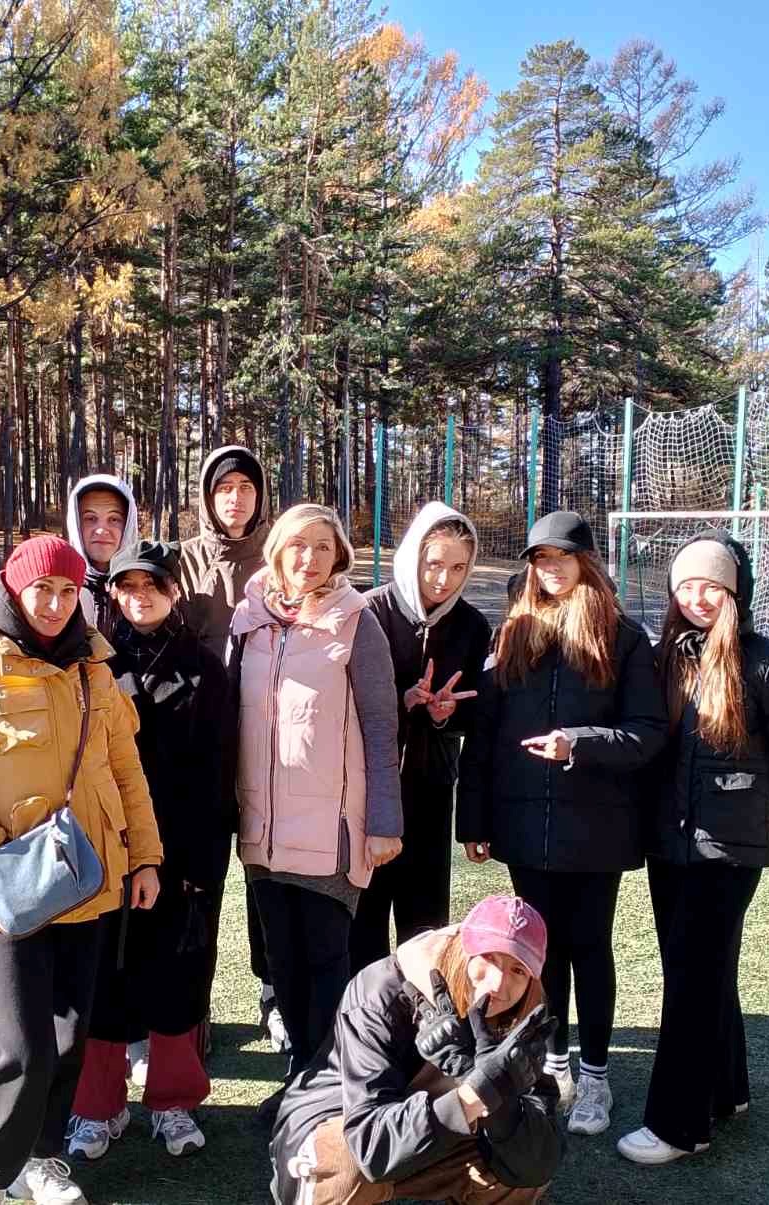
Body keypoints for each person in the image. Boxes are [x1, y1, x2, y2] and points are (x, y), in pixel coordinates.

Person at [0, 534, 164, 1205]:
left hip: (85, 880)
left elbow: (126, 770)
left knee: (69, 1038)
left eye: (68, 590)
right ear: (13, 589)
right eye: (41, 588)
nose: (54, 603)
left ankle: (41, 1158)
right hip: (6, 891)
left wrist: (145, 855)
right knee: (21, 1046)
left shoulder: (94, 671)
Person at [456, 510, 666, 1141]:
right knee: (536, 955)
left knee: (589, 947)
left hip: (598, 828)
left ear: (586, 563)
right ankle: (550, 1065)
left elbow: (646, 733)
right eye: (541, 559)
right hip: (524, 825)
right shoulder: (512, 633)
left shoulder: (624, 639)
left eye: (562, 557)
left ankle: (595, 1075)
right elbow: (484, 736)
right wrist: (474, 818)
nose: (550, 569)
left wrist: (578, 743)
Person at [617, 532, 769, 1166]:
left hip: (728, 856)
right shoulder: (662, 660)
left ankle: (680, 1126)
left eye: (713, 586)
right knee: (703, 973)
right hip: (669, 850)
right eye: (687, 585)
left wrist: (764, 829)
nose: (699, 597)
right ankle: (727, 1089)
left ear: (736, 593)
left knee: (690, 982)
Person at [230, 502, 404, 1125]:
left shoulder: (356, 622)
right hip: (264, 829)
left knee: (328, 963)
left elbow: (382, 728)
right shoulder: (248, 622)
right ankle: (301, 1077)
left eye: (323, 547)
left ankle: (330, 1092)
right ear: (276, 550)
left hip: (332, 829)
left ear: (339, 557)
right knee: (283, 965)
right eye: (298, 545)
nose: (309, 559)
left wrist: (384, 822)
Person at [66, 540, 236, 1162]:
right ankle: (96, 1107)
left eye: (153, 585)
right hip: (107, 850)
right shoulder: (90, 664)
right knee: (103, 978)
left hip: (184, 855)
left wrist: (199, 866)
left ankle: (173, 1101)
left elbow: (219, 772)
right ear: (113, 593)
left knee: (179, 976)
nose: (141, 597)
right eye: (129, 586)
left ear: (174, 590)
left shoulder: (206, 668)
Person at [270, 894, 563, 1205]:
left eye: (518, 970)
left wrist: (489, 1092)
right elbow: (371, 1150)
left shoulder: (524, 1016)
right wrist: (473, 1095)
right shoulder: (380, 992)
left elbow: (538, 1164)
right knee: (341, 1164)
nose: (497, 984)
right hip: (341, 1120)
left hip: (429, 1132)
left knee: (515, 1168)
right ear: (462, 949)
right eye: (488, 957)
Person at [176, 445, 285, 1053]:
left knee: (267, 873)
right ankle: (193, 1005)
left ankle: (274, 992)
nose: (236, 498)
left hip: (273, 745)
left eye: (246, 486)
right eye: (224, 488)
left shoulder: (280, 558)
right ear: (207, 496)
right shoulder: (182, 561)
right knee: (201, 880)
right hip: (202, 750)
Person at [354, 502, 490, 970]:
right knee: (365, 924)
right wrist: (402, 700)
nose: (443, 579)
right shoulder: (368, 611)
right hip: (370, 789)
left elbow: (475, 716)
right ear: (414, 555)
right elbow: (344, 704)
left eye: (458, 568)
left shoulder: (472, 625)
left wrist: (445, 714)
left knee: (426, 927)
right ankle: (366, 1012)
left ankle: (425, 1013)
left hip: (431, 789)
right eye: (434, 564)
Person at [65, 473, 140, 640]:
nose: (101, 530)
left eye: (114, 519)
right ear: (76, 524)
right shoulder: (58, 586)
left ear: (128, 524)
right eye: (90, 518)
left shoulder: (148, 585)